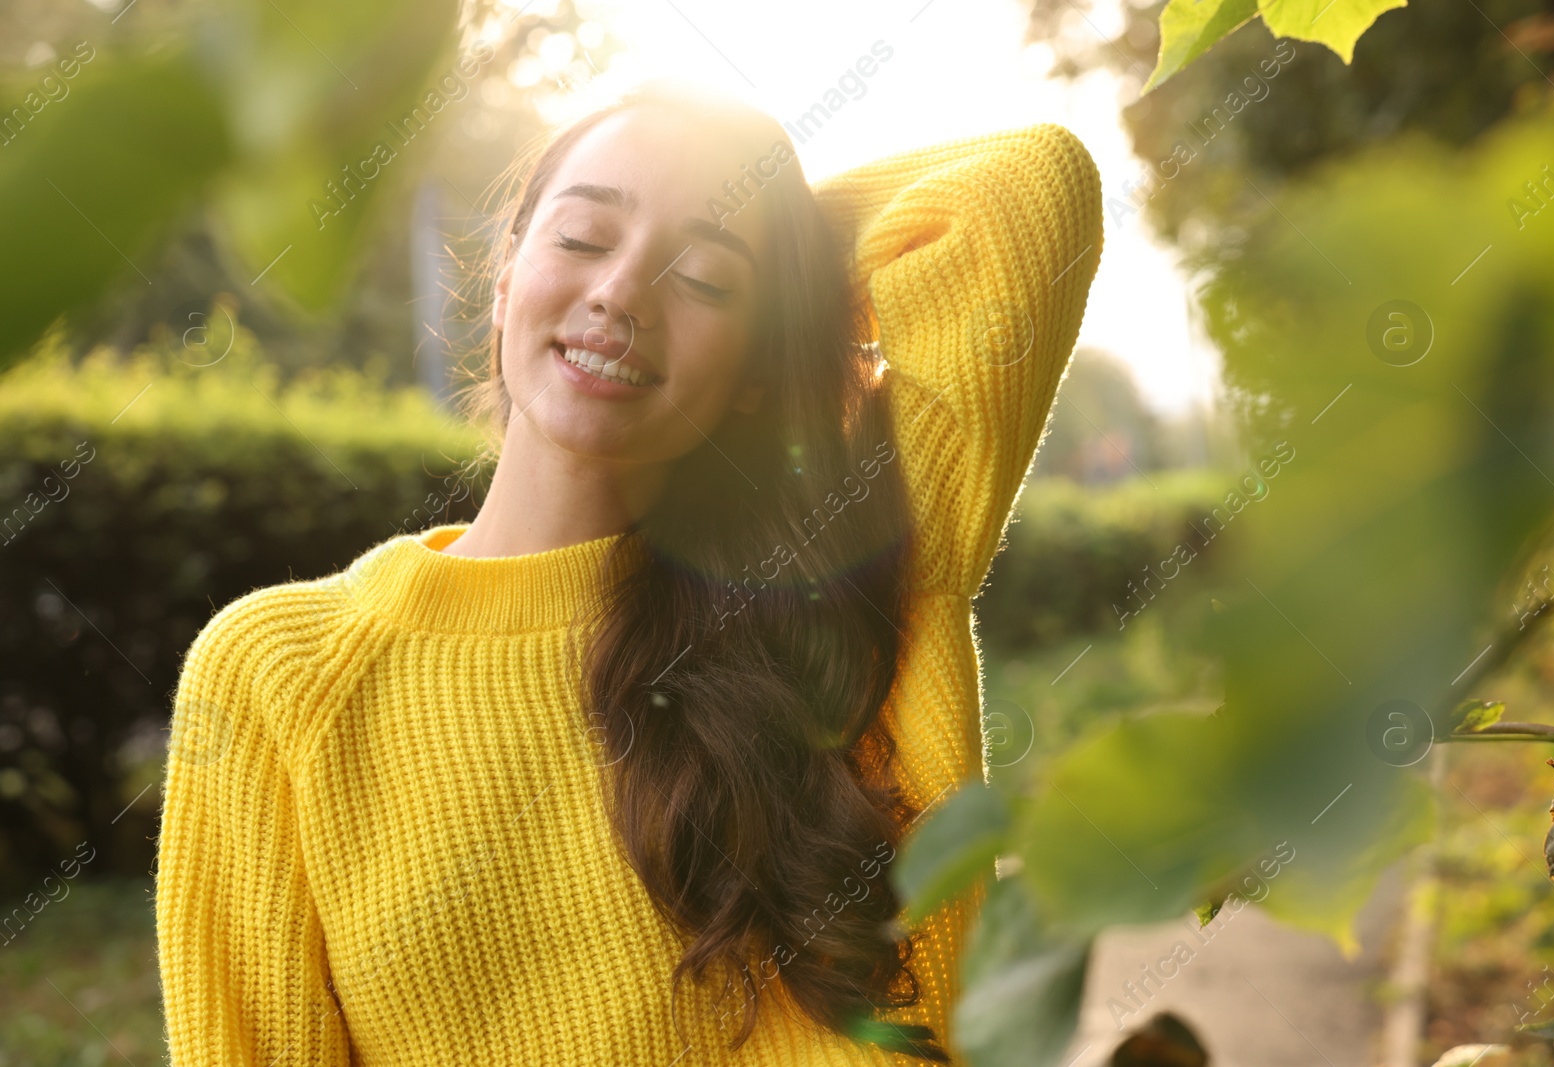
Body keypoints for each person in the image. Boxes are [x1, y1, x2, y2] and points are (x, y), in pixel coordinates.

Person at [154, 79, 1102, 1065]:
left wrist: (782, 239)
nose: (618, 294)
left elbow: (1032, 190)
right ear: (507, 276)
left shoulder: (839, 573)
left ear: (757, 369)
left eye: (702, 279)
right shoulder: (280, 673)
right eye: (580, 238)